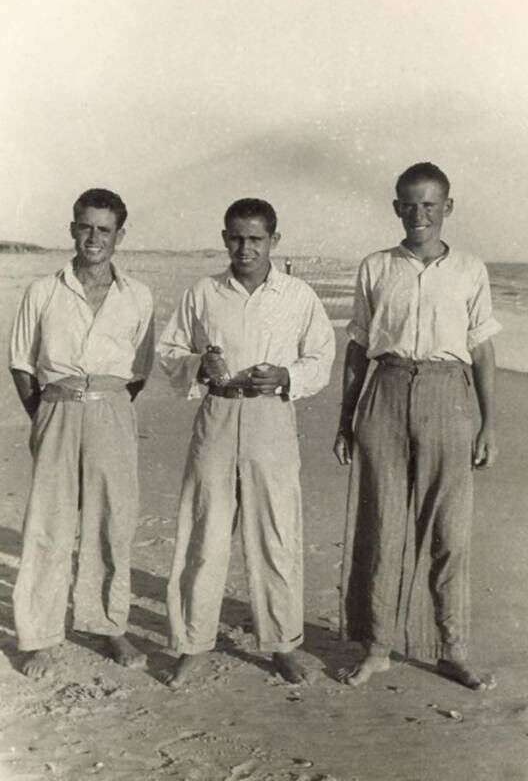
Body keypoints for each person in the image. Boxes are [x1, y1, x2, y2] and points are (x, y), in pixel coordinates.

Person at [334, 163, 501, 690]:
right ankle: (377, 647)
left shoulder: (470, 269)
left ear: (447, 207)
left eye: (429, 205)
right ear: (396, 208)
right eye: (409, 204)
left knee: (448, 532)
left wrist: (488, 424)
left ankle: (450, 650)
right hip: (384, 392)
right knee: (380, 527)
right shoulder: (376, 267)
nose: (418, 214)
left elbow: (481, 349)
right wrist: (345, 419)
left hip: (449, 397)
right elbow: (358, 347)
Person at [157, 198, 335, 687]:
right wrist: (199, 364)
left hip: (271, 417)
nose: (245, 248)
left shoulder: (297, 295)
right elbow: (169, 350)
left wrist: (286, 376)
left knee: (275, 534)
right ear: (224, 238)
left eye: (256, 238)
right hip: (217, 414)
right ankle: (193, 643)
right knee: (204, 532)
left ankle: (283, 644)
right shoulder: (204, 292)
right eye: (236, 238)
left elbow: (321, 357)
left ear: (274, 240)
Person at [9, 188, 154, 679]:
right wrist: (45, 415)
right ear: (72, 229)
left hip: (112, 413)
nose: (94, 238)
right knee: (47, 526)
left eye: (104, 229)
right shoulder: (43, 291)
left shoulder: (138, 295)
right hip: (56, 409)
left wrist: (107, 409)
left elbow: (139, 369)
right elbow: (22, 364)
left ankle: (107, 624)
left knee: (112, 523)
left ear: (119, 235)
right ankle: (39, 636)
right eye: (86, 227)